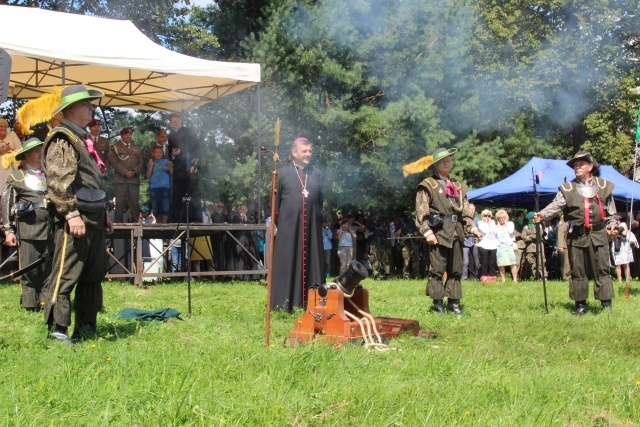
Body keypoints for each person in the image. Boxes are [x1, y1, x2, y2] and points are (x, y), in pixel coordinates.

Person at [41, 84, 114, 343]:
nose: (91, 107)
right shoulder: (63, 137)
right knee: (67, 272)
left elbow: (93, 181)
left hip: (93, 216)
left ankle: (86, 328)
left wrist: (104, 213)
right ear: (71, 108)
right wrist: (71, 214)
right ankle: (58, 330)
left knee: (92, 275)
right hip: (75, 216)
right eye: (86, 104)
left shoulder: (83, 139)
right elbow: (59, 181)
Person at [534, 150, 618, 315]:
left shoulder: (604, 186)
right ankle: (581, 305)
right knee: (578, 270)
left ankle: (606, 304)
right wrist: (542, 214)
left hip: (599, 234)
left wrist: (613, 226)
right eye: (575, 165)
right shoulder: (568, 188)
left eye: (581, 164)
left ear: (590, 166)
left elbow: (612, 213)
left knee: (602, 268)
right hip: (576, 234)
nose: (577, 167)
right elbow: (555, 206)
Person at [408, 147, 481, 315]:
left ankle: (454, 303)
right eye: (443, 161)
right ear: (436, 165)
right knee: (438, 269)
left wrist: (474, 228)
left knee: (456, 269)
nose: (447, 163)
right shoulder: (428, 185)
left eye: (449, 160)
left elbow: (465, 213)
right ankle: (437, 304)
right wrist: (427, 232)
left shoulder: (459, 186)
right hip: (438, 232)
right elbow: (421, 211)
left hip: (457, 232)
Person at [270, 137, 324, 313]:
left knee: (312, 260)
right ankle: (285, 304)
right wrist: (276, 225)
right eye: (304, 151)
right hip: (289, 228)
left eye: (310, 151)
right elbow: (275, 204)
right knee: (289, 260)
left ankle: (313, 303)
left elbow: (320, 202)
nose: (308, 154)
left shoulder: (317, 173)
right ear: (294, 153)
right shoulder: (282, 173)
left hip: (312, 229)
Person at [1, 138, 51, 311]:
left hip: (49, 228)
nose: (40, 154)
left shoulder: (49, 175)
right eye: (36, 151)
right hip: (28, 229)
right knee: (29, 268)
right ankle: (29, 304)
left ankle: (46, 302)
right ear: (27, 155)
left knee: (48, 267)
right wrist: (8, 230)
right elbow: (6, 205)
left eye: (41, 150)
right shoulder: (17, 177)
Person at [168, 113, 201, 223]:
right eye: (174, 122)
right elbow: (169, 154)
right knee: (179, 196)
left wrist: (195, 164)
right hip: (179, 170)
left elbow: (196, 147)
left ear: (180, 120)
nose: (176, 123)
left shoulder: (189, 131)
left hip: (191, 166)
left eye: (177, 120)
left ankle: (195, 220)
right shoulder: (171, 136)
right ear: (171, 124)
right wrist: (173, 154)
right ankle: (179, 221)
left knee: (193, 194)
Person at [108, 127, 143, 223]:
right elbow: (113, 162)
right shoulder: (115, 147)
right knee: (119, 204)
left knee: (134, 204)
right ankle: (118, 225)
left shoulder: (136, 148)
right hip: (120, 180)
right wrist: (125, 172)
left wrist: (134, 171)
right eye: (126, 134)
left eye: (130, 134)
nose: (128, 136)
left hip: (134, 180)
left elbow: (141, 163)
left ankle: (135, 224)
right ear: (122, 135)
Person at [145, 145, 173, 224]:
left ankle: (164, 224)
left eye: (160, 152)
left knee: (165, 207)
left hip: (165, 187)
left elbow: (172, 173)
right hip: (154, 187)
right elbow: (148, 176)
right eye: (156, 152)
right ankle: (158, 223)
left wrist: (169, 167)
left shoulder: (166, 161)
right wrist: (150, 166)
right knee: (156, 207)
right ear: (153, 153)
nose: (159, 154)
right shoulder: (151, 163)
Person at [0, 118, 23, 195]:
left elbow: (20, 150)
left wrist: (9, 149)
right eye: (1, 126)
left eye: (5, 126)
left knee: (10, 193)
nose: (3, 128)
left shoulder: (12, 135)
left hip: (10, 169)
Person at [476, 209, 499, 282]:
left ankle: (492, 276)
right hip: (484, 245)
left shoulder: (493, 222)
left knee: (492, 262)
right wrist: (486, 223)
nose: (487, 217)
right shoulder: (480, 223)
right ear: (482, 216)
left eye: (489, 216)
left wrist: (490, 224)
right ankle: (484, 276)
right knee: (484, 262)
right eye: (485, 216)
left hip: (493, 245)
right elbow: (484, 231)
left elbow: (495, 232)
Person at [495, 209, 518, 282]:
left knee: (512, 263)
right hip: (500, 247)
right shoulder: (496, 226)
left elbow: (511, 231)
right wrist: (498, 226)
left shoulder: (510, 223)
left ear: (506, 218)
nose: (501, 220)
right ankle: (503, 280)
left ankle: (515, 279)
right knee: (501, 263)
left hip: (509, 246)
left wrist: (506, 223)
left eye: (503, 218)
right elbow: (495, 234)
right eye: (499, 218)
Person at [611, 219, 637, 284]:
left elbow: (624, 233)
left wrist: (619, 229)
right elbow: (612, 234)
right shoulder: (612, 225)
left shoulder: (623, 224)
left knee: (626, 264)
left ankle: (628, 279)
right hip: (617, 245)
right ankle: (619, 280)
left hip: (624, 246)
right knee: (618, 265)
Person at [521, 212, 546, 280]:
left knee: (541, 262)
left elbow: (539, 235)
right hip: (530, 248)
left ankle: (544, 277)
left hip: (539, 247)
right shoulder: (526, 227)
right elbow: (523, 236)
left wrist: (529, 236)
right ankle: (536, 276)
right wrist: (530, 237)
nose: (534, 220)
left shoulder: (539, 226)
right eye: (532, 218)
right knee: (532, 262)